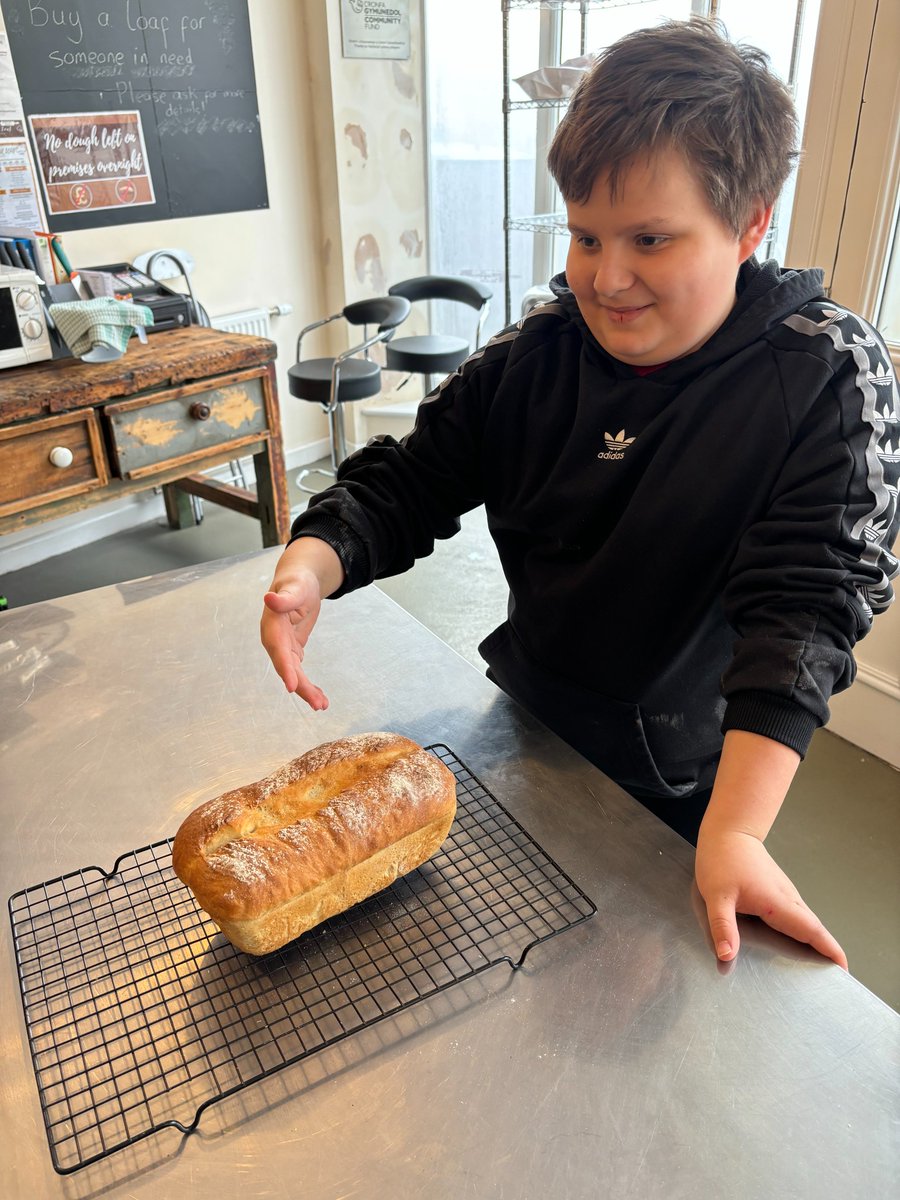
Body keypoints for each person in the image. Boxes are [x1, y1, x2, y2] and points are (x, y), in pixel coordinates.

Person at [260, 20, 899, 970]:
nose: (605, 278)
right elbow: (415, 474)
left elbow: (806, 611)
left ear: (751, 221)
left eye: (651, 238)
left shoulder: (823, 373)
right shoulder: (538, 352)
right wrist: (314, 564)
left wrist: (737, 833)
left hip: (693, 773)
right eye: (585, 236)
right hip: (524, 725)